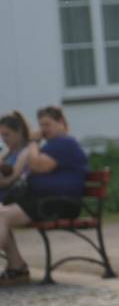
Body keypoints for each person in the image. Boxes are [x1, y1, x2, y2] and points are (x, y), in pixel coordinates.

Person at [0, 106, 88, 287]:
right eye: (41, 125)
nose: (43, 129)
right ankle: (17, 267)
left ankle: (17, 268)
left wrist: (33, 142)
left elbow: (37, 165)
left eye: (47, 124)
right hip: (46, 201)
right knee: (1, 213)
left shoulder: (65, 143)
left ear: (61, 122)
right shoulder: (52, 145)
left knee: (2, 215)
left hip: (61, 203)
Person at [0, 111, 32, 203]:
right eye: (2, 135)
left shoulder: (27, 151)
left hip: (10, 201)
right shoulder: (7, 154)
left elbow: (10, 180)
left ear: (19, 132)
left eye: (7, 134)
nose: (4, 139)